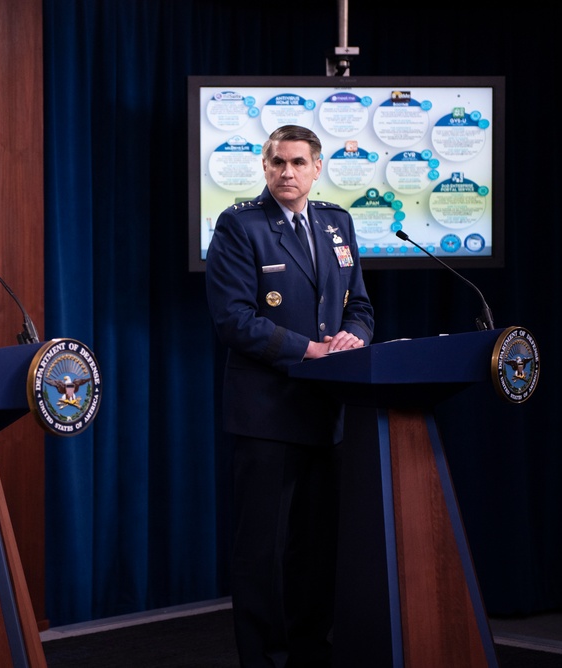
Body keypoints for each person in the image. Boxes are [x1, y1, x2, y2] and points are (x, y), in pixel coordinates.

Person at [205, 124, 374, 667]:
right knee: (263, 553)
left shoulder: (336, 222)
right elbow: (233, 319)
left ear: (317, 168)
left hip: (327, 414)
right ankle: (265, 659)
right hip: (266, 416)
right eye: (277, 162)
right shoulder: (239, 226)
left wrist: (355, 338)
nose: (287, 172)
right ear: (264, 166)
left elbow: (361, 306)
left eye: (298, 163)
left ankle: (309, 652)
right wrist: (309, 350)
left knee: (316, 549)